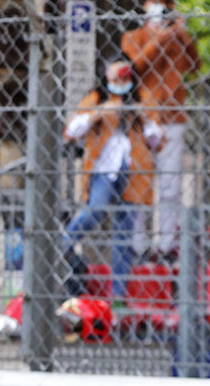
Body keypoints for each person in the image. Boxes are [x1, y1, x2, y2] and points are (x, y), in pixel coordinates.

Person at [62, 60, 163, 297]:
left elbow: (158, 139)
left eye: (123, 79)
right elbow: (72, 130)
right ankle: (61, 243)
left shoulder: (143, 99)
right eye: (115, 78)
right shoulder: (96, 98)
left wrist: (142, 117)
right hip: (103, 170)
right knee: (94, 210)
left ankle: (118, 296)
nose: (119, 84)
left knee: (123, 235)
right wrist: (98, 114)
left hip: (133, 172)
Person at [121, 0, 201, 261]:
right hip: (144, 119)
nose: (162, 14)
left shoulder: (178, 39)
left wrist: (182, 34)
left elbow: (195, 65)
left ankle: (166, 246)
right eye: (157, 8)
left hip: (173, 118)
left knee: (170, 186)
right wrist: (158, 40)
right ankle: (139, 246)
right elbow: (134, 68)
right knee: (141, 184)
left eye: (166, 9)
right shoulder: (134, 37)